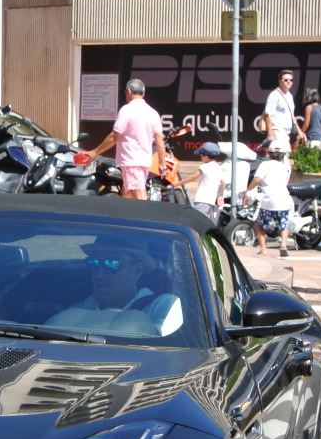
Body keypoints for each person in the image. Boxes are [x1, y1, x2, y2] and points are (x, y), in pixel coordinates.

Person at [47, 243, 182, 335]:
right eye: (93, 263)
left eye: (112, 264)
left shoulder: (163, 306)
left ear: (138, 270)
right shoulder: (77, 310)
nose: (99, 274)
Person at [75, 79, 166, 199]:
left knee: (138, 195)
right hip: (144, 161)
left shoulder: (127, 110)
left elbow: (114, 136)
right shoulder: (153, 113)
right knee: (127, 193)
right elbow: (160, 138)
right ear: (143, 94)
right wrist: (162, 162)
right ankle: (125, 215)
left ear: (129, 91)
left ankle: (144, 216)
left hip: (132, 161)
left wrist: (95, 152)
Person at [247, 135, 295, 258]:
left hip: (268, 200)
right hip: (283, 199)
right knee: (283, 224)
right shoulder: (285, 167)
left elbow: (257, 180)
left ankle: (263, 249)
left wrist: (248, 189)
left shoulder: (265, 165)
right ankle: (283, 245)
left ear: (269, 152)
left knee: (260, 225)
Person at [180, 142, 224, 221]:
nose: (200, 157)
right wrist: (221, 195)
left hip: (201, 200)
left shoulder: (204, 166)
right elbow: (223, 182)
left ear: (206, 157)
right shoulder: (218, 167)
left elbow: (192, 177)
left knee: (196, 221)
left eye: (201, 155)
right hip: (211, 202)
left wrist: (178, 183)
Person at [263, 70, 307, 146]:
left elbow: (292, 116)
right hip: (277, 131)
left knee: (285, 156)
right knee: (281, 156)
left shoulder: (289, 96)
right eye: (286, 80)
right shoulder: (274, 95)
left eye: (291, 80)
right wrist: (270, 134)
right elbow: (268, 115)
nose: (289, 82)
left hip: (286, 133)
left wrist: (299, 131)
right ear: (280, 81)